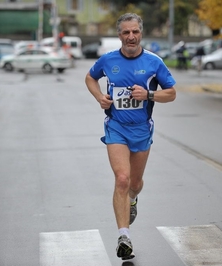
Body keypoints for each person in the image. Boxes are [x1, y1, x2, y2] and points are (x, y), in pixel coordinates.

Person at [85, 13, 176, 260]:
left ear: (141, 33)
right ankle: (123, 236)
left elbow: (171, 93)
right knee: (122, 179)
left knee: (134, 184)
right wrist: (99, 97)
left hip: (141, 129)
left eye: (135, 31)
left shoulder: (154, 62)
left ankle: (133, 200)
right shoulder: (108, 60)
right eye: (126, 32)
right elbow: (90, 77)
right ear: (119, 35)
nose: (131, 36)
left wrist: (148, 95)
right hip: (116, 127)